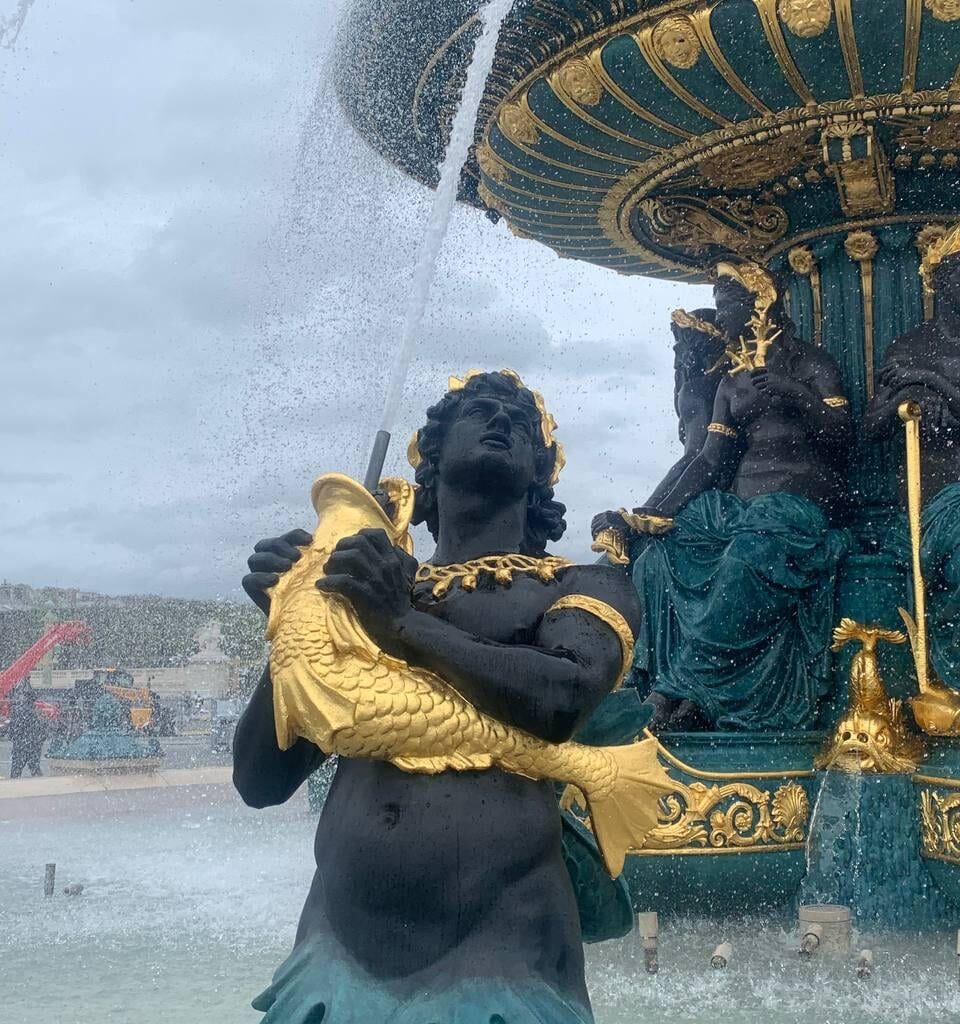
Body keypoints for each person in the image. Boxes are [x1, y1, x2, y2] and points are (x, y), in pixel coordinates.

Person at [233, 370, 644, 1024]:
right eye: (480, 411)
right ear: (432, 456)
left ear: (540, 470)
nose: (502, 421)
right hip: (335, 957)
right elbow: (259, 779)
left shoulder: (579, 584)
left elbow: (564, 696)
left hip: (504, 954)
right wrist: (292, 621)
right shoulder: (364, 592)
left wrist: (403, 621)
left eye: (519, 421)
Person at [595, 261, 852, 732]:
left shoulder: (811, 364)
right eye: (719, 308)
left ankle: (683, 688)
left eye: (730, 306)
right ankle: (648, 684)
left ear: (764, 302)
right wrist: (647, 516)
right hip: (739, 510)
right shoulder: (731, 382)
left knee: (747, 555)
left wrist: (795, 394)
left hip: (795, 507)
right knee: (658, 553)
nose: (724, 319)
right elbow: (707, 461)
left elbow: (844, 435)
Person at [865, 226, 960, 687]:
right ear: (938, 282)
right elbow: (871, 426)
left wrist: (932, 383)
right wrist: (910, 400)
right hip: (939, 500)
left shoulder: (913, 361)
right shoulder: (909, 347)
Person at [10, 683, 44, 778]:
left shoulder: (18, 711)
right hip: (32, 745)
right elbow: (41, 730)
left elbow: (12, 729)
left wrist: (15, 740)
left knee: (16, 770)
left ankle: (14, 786)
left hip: (21, 745)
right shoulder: (35, 713)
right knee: (35, 769)